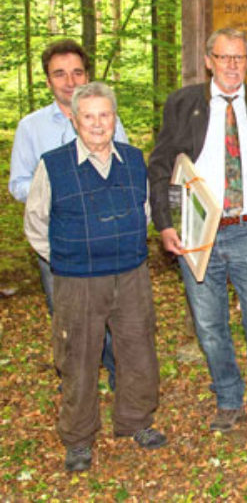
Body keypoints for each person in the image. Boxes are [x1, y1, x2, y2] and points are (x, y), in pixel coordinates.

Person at [148, 27, 247, 455]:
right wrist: (165, 223)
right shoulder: (183, 103)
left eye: (239, 58)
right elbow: (160, 163)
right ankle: (228, 396)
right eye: (223, 57)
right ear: (208, 60)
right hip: (196, 230)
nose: (232, 66)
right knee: (209, 326)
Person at [23, 82, 166, 472]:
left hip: (131, 273)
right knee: (78, 356)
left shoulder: (135, 160)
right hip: (77, 280)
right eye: (89, 116)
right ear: (74, 119)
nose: (98, 124)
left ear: (114, 118)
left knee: (137, 349)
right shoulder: (53, 165)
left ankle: (135, 420)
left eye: (105, 115)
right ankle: (79, 436)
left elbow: (148, 211)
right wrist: (69, 259)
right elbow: (36, 223)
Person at [9, 38, 125, 388]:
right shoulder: (31, 127)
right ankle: (77, 377)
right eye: (60, 74)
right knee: (67, 314)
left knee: (112, 312)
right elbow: (18, 184)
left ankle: (119, 373)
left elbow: (125, 173)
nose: (69, 80)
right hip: (58, 242)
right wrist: (59, 194)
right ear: (48, 80)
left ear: (86, 74)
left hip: (107, 239)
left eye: (76, 72)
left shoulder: (108, 120)